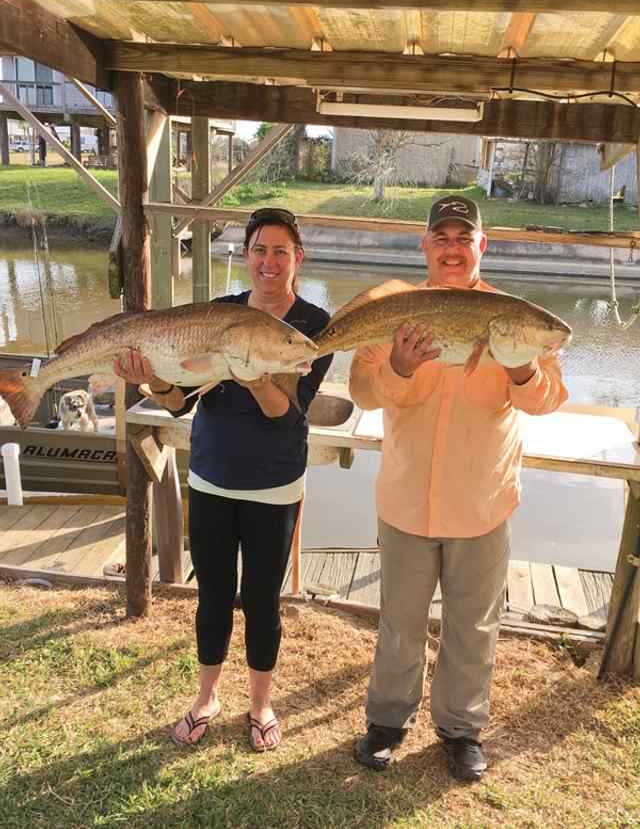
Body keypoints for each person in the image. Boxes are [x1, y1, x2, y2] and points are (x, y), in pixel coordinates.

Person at [349, 195, 568, 780]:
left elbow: (549, 399)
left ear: (481, 247)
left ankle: (461, 728)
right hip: (405, 500)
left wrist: (523, 369)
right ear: (425, 247)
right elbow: (363, 393)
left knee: (473, 625)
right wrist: (395, 367)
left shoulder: (513, 317)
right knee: (400, 620)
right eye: (441, 237)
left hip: (482, 503)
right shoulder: (394, 311)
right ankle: (387, 721)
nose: (452, 248)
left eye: (462, 238)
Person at [114, 208, 333, 752]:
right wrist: (154, 381)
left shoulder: (311, 328)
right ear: (248, 255)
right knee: (211, 593)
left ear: (297, 259)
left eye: (281, 251)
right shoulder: (219, 313)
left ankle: (260, 703)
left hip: (275, 485)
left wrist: (253, 374)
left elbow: (287, 412)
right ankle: (206, 696)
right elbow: (176, 402)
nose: (268, 262)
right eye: (260, 249)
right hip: (211, 477)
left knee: (262, 599)